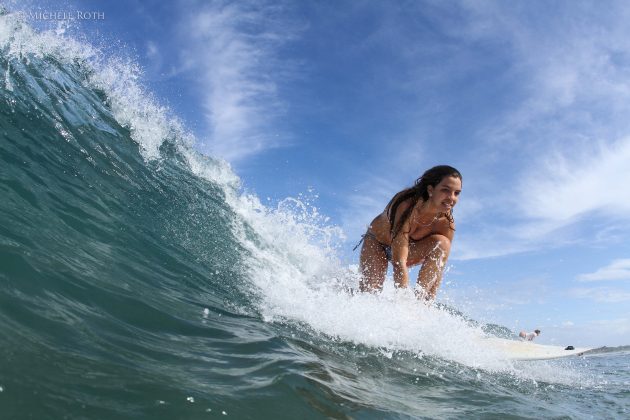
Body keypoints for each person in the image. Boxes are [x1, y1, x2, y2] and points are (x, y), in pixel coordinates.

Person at [356, 165, 462, 300]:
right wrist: (404, 304)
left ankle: (420, 303)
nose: (451, 198)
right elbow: (399, 261)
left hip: (411, 252)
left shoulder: (446, 223)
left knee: (443, 244)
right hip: (378, 243)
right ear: (431, 190)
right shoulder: (407, 204)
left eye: (457, 193)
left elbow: (439, 267)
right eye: (445, 190)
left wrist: (426, 305)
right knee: (369, 295)